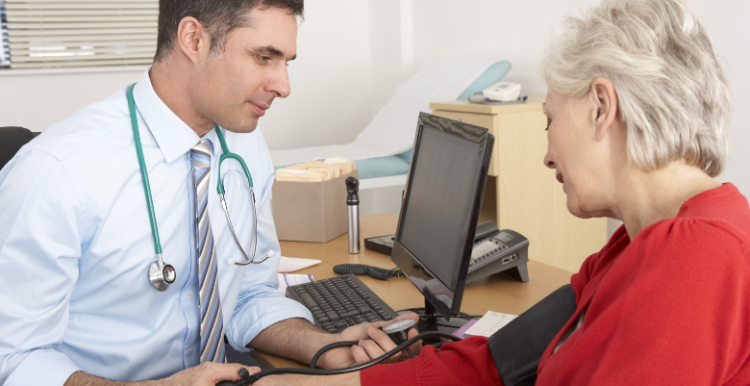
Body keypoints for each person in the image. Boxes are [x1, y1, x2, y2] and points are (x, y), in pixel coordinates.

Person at [252, 0, 750, 385]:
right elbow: (497, 359)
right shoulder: (627, 251)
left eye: (550, 120)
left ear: (601, 107)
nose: (547, 155)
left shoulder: (702, 253)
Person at [0, 1, 417, 385]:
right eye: (263, 57)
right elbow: (15, 359)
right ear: (193, 39)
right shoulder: (58, 170)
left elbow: (249, 292)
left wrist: (325, 345)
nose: (283, 85)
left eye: (285, 61)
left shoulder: (244, 145)